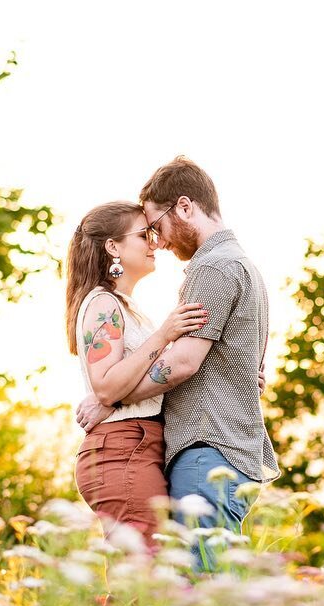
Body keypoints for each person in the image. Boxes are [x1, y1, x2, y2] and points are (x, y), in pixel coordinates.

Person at [76, 158, 280, 547]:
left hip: (207, 448)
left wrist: (112, 401)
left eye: (157, 227)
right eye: (147, 234)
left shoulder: (214, 269)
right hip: (211, 448)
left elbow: (183, 362)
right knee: (184, 580)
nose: (160, 242)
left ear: (185, 207)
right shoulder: (241, 265)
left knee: (196, 581)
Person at [65, 201, 209, 546]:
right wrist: (164, 335)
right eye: (144, 234)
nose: (155, 242)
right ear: (112, 247)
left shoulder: (125, 307)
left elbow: (124, 386)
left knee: (147, 572)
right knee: (143, 575)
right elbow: (106, 385)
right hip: (123, 449)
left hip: (138, 446)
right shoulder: (103, 304)